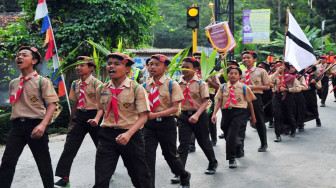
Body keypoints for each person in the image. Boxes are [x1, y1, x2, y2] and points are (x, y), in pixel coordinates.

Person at [91, 53, 153, 188]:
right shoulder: (101, 88)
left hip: (131, 136)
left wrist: (128, 134)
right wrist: (96, 119)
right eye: (109, 64)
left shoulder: (137, 89)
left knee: (140, 177)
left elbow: (143, 116)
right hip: (107, 136)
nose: (111, 67)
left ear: (127, 69)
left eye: (116, 64)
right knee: (101, 179)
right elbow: (101, 109)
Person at [0, 46, 59, 188]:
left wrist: (43, 125)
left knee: (43, 162)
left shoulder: (42, 81)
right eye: (18, 55)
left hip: (36, 125)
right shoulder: (14, 83)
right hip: (17, 127)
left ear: (34, 60)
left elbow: (52, 105)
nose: (19, 57)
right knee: (7, 161)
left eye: (24, 55)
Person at [143, 54, 191, 188]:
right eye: (151, 64)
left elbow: (175, 108)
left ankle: (183, 175)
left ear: (165, 67)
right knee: (147, 157)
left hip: (166, 124)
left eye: (157, 65)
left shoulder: (172, 84)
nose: (152, 67)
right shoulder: (145, 84)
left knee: (170, 156)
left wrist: (155, 114)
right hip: (149, 125)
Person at [54, 56, 103, 187]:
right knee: (70, 146)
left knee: (102, 148)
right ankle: (64, 178)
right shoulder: (75, 84)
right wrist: (72, 121)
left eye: (82, 65)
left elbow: (103, 105)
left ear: (91, 68)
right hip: (80, 117)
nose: (78, 68)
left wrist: (98, 119)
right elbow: (75, 104)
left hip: (95, 116)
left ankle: (105, 173)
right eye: (77, 65)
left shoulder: (97, 84)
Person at [172, 57, 217, 183]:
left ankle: (213, 162)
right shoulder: (176, 83)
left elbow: (206, 102)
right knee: (183, 144)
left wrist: (197, 115)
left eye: (187, 67)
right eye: (182, 66)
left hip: (199, 115)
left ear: (195, 69)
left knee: (203, 141)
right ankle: (180, 172)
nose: (184, 69)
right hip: (184, 116)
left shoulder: (201, 83)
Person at [211, 67, 256, 168]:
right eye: (231, 73)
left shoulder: (244, 87)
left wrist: (253, 116)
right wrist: (214, 113)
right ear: (227, 76)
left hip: (240, 112)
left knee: (232, 135)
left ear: (239, 76)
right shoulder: (222, 87)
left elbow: (250, 102)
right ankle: (238, 146)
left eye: (235, 73)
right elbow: (219, 100)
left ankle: (231, 159)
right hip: (227, 112)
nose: (233, 75)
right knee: (227, 132)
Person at [241, 51, 270, 152]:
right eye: (244, 58)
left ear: (254, 59)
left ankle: (263, 143)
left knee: (259, 121)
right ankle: (240, 148)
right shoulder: (241, 72)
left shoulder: (261, 71)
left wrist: (254, 87)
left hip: (256, 97)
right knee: (241, 122)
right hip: (243, 98)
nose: (245, 60)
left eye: (248, 57)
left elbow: (267, 86)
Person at [193, 52, 220, 146]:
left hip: (208, 99)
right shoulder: (192, 72)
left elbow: (218, 87)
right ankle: (191, 144)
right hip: (195, 99)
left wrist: (209, 81)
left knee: (209, 118)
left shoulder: (211, 72)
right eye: (196, 58)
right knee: (192, 118)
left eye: (200, 58)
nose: (197, 60)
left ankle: (213, 138)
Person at [270, 63, 301, 142]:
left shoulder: (292, 77)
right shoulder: (275, 77)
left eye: (281, 67)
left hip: (288, 97)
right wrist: (277, 72)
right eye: (278, 67)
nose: (280, 68)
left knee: (289, 114)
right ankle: (277, 135)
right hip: (277, 97)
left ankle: (293, 128)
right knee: (277, 115)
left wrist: (287, 89)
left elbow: (298, 88)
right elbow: (269, 80)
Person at [289, 65, 307, 132]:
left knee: (300, 110)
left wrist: (297, 86)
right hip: (289, 95)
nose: (291, 69)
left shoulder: (300, 76)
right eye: (290, 67)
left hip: (298, 95)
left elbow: (305, 87)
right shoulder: (286, 76)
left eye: (293, 67)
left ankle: (300, 124)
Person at [257, 61, 274, 128]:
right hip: (259, 93)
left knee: (270, 108)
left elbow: (271, 83)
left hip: (268, 94)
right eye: (258, 67)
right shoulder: (256, 74)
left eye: (261, 67)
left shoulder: (269, 75)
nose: (259, 68)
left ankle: (271, 121)